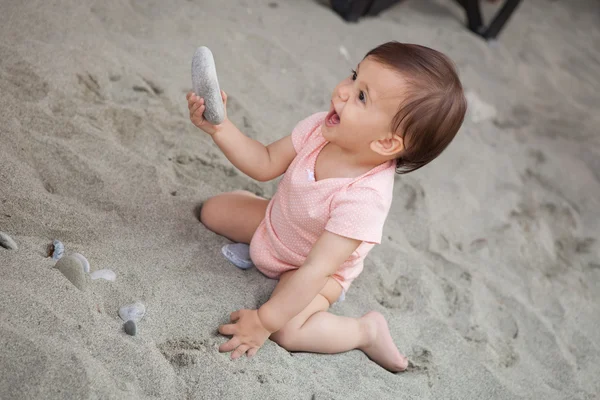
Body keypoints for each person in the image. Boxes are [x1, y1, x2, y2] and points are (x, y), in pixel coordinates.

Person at [186, 41, 467, 372]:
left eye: (362, 96)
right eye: (353, 75)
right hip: (278, 222)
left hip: (315, 268)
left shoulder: (365, 199)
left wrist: (263, 321)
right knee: (212, 211)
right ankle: (259, 239)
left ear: (386, 142)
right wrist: (220, 128)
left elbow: (315, 269)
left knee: (287, 331)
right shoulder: (321, 128)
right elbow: (264, 163)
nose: (344, 91)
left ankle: (365, 332)